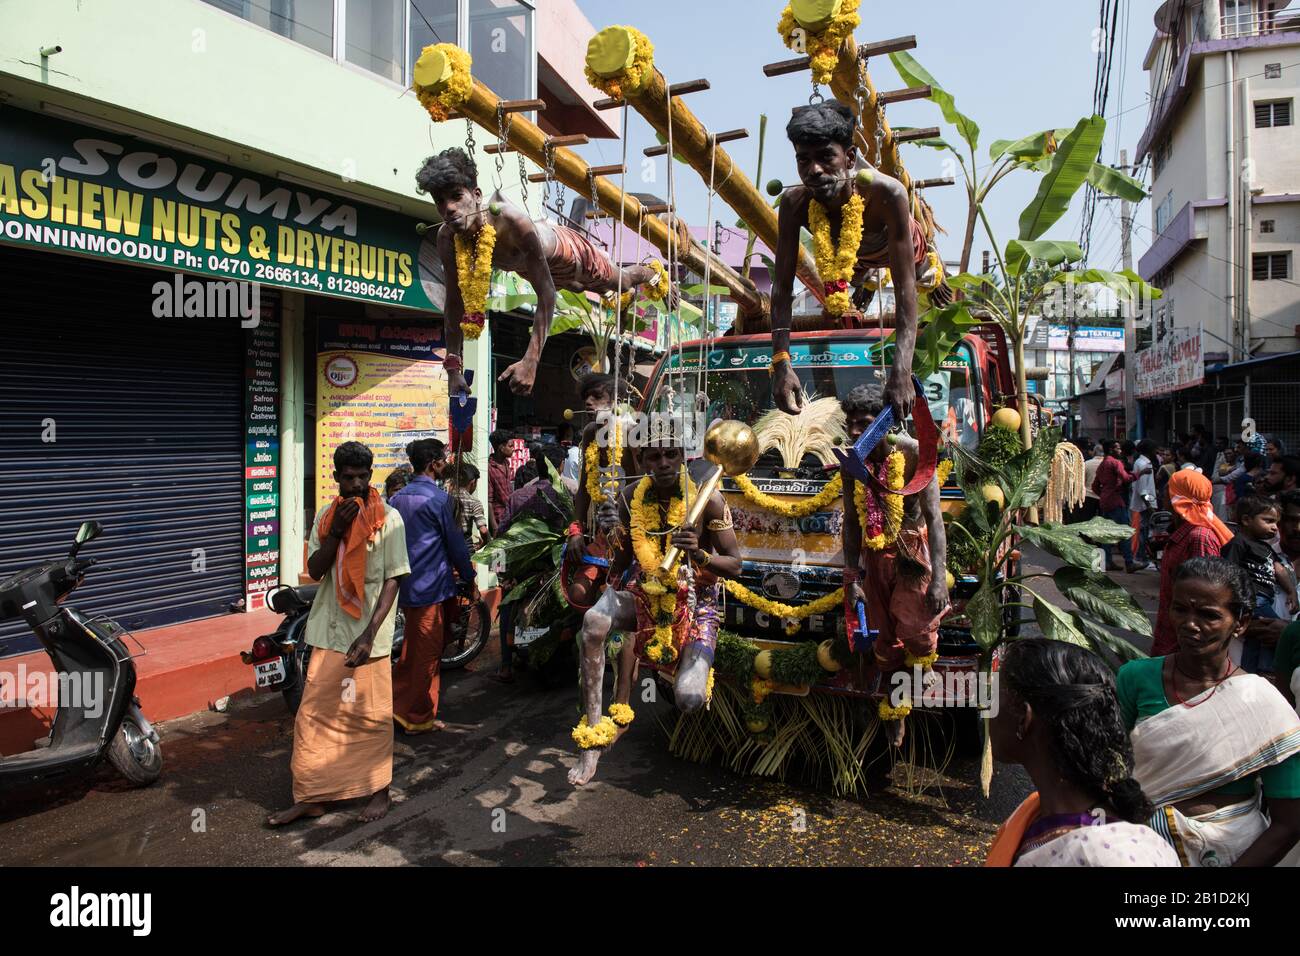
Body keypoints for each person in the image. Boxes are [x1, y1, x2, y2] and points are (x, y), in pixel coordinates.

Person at [417, 148, 668, 398]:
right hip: (534, 271)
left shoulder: (511, 221)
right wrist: (453, 368)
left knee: (621, 281)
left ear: (477, 195)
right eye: (440, 201)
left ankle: (650, 272)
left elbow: (546, 294)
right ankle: (610, 295)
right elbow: (454, 302)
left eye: (456, 196)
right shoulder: (447, 237)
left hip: (570, 253)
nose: (449, 208)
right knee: (578, 287)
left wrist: (531, 361)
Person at [568, 434, 742, 787]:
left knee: (689, 699)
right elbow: (621, 562)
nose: (662, 463)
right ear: (643, 460)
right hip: (644, 597)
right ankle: (592, 737)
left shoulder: (707, 499)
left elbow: (736, 565)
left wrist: (700, 555)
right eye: (653, 456)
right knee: (594, 621)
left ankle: (685, 670)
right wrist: (611, 531)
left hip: (694, 604)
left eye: (670, 455)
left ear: (682, 458)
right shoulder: (631, 498)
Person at [768, 102, 945, 420]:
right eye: (803, 160)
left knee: (923, 274)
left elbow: (905, 290)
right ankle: (863, 285)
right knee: (854, 280)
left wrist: (901, 370)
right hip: (854, 259)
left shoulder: (887, 194)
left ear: (849, 158)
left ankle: (932, 271)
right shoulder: (794, 202)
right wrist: (781, 361)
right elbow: (781, 288)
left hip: (901, 250)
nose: (814, 170)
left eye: (825, 157)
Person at [1118, 557, 1300, 866]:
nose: (1190, 624)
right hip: (1140, 849)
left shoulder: (1263, 702)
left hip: (1232, 852)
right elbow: (1111, 772)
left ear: (1240, 623)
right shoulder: (1135, 677)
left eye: (1208, 615)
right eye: (1180, 609)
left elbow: (1290, 822)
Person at [268, 441, 410, 827]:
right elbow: (315, 570)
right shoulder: (327, 517)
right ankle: (311, 796)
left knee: (371, 717)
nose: (357, 485)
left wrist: (368, 635)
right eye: (349, 478)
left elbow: (394, 580)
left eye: (363, 477)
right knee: (313, 716)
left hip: (370, 638)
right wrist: (338, 532)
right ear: (336, 478)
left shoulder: (390, 519)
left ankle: (379, 789)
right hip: (330, 631)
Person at [984, 639, 1178, 866]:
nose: (987, 711)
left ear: (1023, 718)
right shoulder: (1034, 812)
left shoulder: (1105, 857)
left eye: (993, 698)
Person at [839, 383, 950, 747]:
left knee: (917, 629)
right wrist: (852, 577)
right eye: (850, 423)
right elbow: (853, 523)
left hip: (910, 556)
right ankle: (894, 708)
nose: (855, 431)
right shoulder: (852, 462)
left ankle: (924, 662)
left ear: (885, 423)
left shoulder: (915, 454)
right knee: (884, 640)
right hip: (874, 557)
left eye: (864, 423)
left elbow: (934, 519)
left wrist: (938, 579)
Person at [387, 439, 478, 735]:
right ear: (434, 464)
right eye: (442, 460)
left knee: (414, 652)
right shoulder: (439, 500)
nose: (445, 465)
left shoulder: (397, 499)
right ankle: (415, 715)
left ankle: (401, 706)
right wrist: (469, 576)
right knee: (424, 656)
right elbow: (456, 546)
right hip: (431, 587)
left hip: (404, 586)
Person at [1150, 470, 1232, 657]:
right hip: (1170, 629)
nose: (1163, 496)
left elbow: (1204, 593)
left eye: (1168, 492)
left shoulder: (1199, 536)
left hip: (1183, 638)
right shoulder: (1184, 532)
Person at [1223, 496, 1298, 672]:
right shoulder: (1239, 544)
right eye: (1269, 521)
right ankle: (1263, 670)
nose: (1298, 528)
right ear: (1247, 520)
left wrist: (1291, 593)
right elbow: (1226, 573)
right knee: (1269, 631)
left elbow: (1279, 569)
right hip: (1252, 600)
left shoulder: (1267, 551)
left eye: (1275, 521)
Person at [1093, 439, 1145, 573]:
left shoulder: (1103, 464)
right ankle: (1129, 562)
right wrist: (1140, 474)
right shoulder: (1115, 463)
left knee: (1107, 533)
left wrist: (1104, 493)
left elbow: (1095, 486)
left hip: (1105, 501)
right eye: (1118, 448)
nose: (1120, 451)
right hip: (1116, 501)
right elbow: (1127, 478)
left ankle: (1108, 562)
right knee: (1124, 531)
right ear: (1111, 449)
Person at [449, 462, 490, 552]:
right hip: (465, 547)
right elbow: (483, 530)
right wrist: (485, 541)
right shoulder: (474, 502)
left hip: (447, 547)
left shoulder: (446, 498)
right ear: (473, 482)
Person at [1130, 439, 1159, 564]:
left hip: (1143, 503)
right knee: (1144, 531)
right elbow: (1143, 490)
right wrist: (1149, 506)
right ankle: (1141, 557)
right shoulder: (1145, 464)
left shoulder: (1140, 462)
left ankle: (1141, 556)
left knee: (1144, 530)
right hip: (1145, 504)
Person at [486, 429, 514, 535]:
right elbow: (489, 501)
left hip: (510, 516)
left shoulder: (506, 463)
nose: (513, 449)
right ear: (501, 448)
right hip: (499, 519)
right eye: (510, 446)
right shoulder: (490, 468)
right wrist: (494, 527)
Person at [1081, 440, 1104, 522]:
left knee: (1088, 521)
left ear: (1094, 452)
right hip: (1103, 497)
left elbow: (1082, 481)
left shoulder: (1087, 463)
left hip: (1089, 496)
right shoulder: (1107, 463)